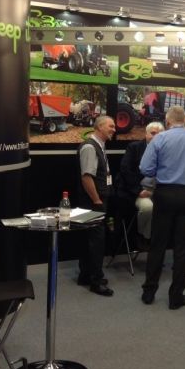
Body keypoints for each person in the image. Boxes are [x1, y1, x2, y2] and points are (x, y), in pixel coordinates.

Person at [139, 106, 185, 309]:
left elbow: (145, 168)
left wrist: (161, 170)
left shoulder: (159, 139)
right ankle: (176, 297)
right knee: (183, 248)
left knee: (157, 245)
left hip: (164, 194)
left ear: (167, 120)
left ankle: (148, 292)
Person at [76, 115, 116, 297]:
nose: (114, 129)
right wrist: (97, 200)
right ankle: (96, 282)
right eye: (111, 126)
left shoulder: (99, 145)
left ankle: (86, 275)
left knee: (90, 240)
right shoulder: (90, 147)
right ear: (99, 127)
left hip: (95, 201)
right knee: (96, 242)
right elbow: (86, 177)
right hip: (93, 202)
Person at [117, 121, 164, 246]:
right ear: (146, 134)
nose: (156, 136)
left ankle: (160, 241)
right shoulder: (134, 147)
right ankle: (143, 236)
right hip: (138, 190)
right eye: (153, 133)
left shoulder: (166, 151)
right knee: (148, 208)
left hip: (158, 191)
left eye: (159, 134)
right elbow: (125, 170)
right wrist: (139, 191)